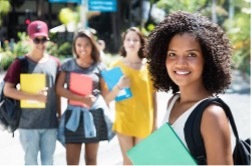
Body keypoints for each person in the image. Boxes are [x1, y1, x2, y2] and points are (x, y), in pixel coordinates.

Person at [146, 11, 235, 165]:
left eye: (191, 54)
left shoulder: (211, 115)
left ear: (207, 59)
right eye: (172, 54)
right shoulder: (173, 101)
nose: (180, 63)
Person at [3, 20, 61, 165]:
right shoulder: (20, 63)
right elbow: (7, 90)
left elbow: (57, 93)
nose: (41, 44)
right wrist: (35, 97)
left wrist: (59, 116)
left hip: (50, 123)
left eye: (44, 39)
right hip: (27, 124)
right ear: (29, 39)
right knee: (31, 162)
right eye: (37, 40)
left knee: (49, 162)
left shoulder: (55, 63)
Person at [56, 29, 110, 165]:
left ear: (92, 45)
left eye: (86, 45)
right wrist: (81, 99)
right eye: (79, 45)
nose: (82, 48)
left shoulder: (100, 67)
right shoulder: (67, 65)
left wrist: (108, 115)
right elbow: (59, 89)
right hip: (72, 115)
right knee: (72, 161)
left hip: (94, 116)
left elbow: (106, 94)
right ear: (74, 46)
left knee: (91, 160)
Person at [104, 27, 157, 165]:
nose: (132, 43)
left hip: (145, 122)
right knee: (128, 162)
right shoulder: (115, 66)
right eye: (128, 39)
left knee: (140, 162)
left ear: (141, 43)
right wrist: (119, 86)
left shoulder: (148, 68)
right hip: (124, 121)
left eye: (135, 40)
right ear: (124, 43)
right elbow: (107, 99)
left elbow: (153, 97)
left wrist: (155, 124)